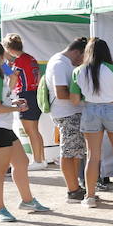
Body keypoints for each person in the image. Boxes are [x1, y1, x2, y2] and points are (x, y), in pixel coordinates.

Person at [0, 40, 52, 223]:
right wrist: (16, 109)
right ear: (1, 56)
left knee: (21, 162)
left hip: (0, 126)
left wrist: (12, 103)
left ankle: (27, 200)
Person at [70, 38, 113, 207]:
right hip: (112, 110)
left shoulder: (78, 71)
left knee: (92, 157)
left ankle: (90, 197)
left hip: (90, 111)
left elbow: (74, 100)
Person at [46, 37, 88, 202]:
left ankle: (76, 187)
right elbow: (61, 93)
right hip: (66, 113)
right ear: (77, 52)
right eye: (85, 56)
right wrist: (85, 97)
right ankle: (72, 190)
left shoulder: (64, 62)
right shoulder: (59, 64)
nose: (85, 61)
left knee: (76, 152)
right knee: (68, 152)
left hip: (72, 112)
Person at [3, 33, 50, 170]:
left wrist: (6, 93)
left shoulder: (19, 61)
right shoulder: (30, 58)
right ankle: (41, 159)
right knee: (35, 130)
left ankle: (37, 161)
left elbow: (14, 78)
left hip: (25, 95)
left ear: (9, 49)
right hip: (35, 94)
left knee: (30, 131)